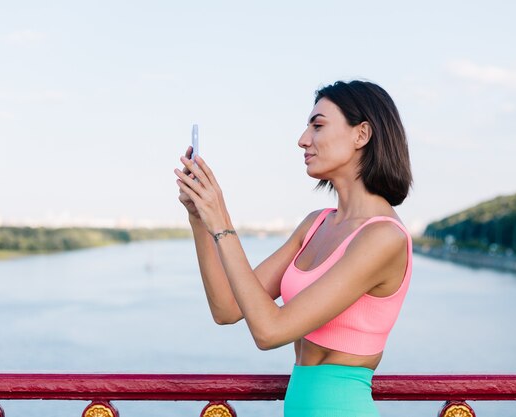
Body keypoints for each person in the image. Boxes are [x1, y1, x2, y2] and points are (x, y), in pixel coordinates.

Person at [174, 79, 413, 417]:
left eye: (317, 126)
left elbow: (270, 331)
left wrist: (222, 222)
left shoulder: (384, 238)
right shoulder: (316, 223)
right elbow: (227, 309)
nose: (303, 140)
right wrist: (200, 219)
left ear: (362, 134)